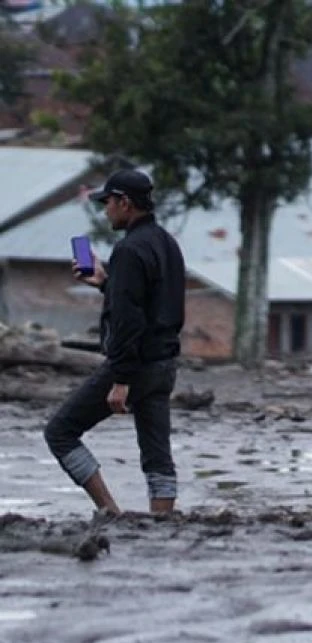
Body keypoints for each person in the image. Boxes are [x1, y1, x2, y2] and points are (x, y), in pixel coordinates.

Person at [44, 169, 186, 516]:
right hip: (164, 364)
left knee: (60, 432)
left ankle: (110, 512)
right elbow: (149, 304)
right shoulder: (167, 244)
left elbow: (128, 320)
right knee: (157, 453)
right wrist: (106, 283)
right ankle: (161, 520)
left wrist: (120, 380)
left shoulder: (128, 250)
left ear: (125, 203)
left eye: (108, 202)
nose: (105, 210)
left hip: (135, 366)